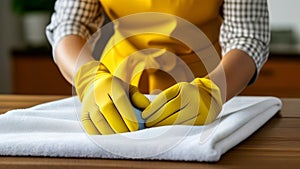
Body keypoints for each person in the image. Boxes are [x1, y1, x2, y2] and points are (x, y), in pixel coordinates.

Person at [46, 0, 270, 135]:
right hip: (115, 87)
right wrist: (89, 78)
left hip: (205, 85)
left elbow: (246, 36)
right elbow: (70, 24)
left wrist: (213, 90)